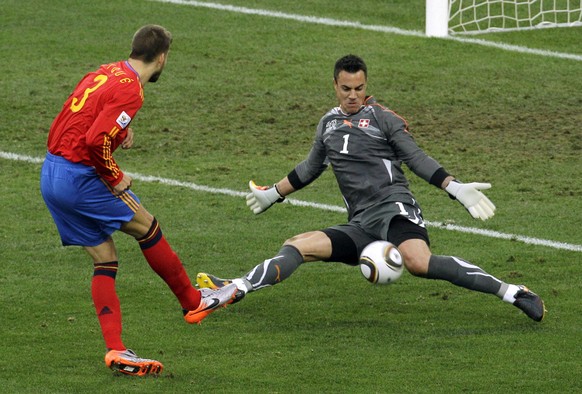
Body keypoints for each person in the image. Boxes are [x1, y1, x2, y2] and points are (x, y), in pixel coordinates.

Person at [197, 54, 545, 323]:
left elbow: (415, 157)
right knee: (297, 246)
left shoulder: (382, 118)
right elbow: (311, 168)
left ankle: (513, 292)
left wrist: (453, 187)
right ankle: (237, 287)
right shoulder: (328, 124)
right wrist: (273, 192)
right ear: (335, 86)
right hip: (361, 223)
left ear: (366, 86)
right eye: (346, 89)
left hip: (395, 210)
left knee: (418, 263)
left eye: (359, 89)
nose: (353, 96)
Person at [40, 25, 238, 376]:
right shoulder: (132, 90)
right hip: (80, 177)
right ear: (161, 57)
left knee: (105, 259)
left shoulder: (105, 71)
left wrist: (121, 129)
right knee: (147, 227)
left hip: (51, 176)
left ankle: (117, 351)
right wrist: (115, 176)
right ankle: (193, 303)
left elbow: (77, 115)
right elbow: (95, 139)